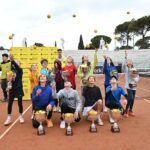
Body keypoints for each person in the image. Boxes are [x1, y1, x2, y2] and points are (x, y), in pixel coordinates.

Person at [4, 55, 24, 126]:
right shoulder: (11, 71)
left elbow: (17, 67)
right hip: (12, 90)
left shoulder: (20, 70)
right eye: (15, 62)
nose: (16, 63)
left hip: (19, 89)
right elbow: (9, 80)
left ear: (19, 64)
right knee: (9, 104)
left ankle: (21, 115)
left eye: (17, 62)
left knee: (19, 103)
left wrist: (12, 60)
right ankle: (9, 117)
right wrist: (8, 86)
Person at [123, 50, 140, 117]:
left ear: (132, 63)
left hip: (134, 86)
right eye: (128, 62)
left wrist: (136, 79)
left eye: (130, 61)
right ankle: (126, 111)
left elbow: (138, 76)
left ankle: (130, 110)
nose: (129, 62)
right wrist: (126, 56)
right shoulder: (126, 69)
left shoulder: (134, 69)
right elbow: (124, 64)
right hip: (128, 86)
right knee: (130, 98)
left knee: (132, 99)